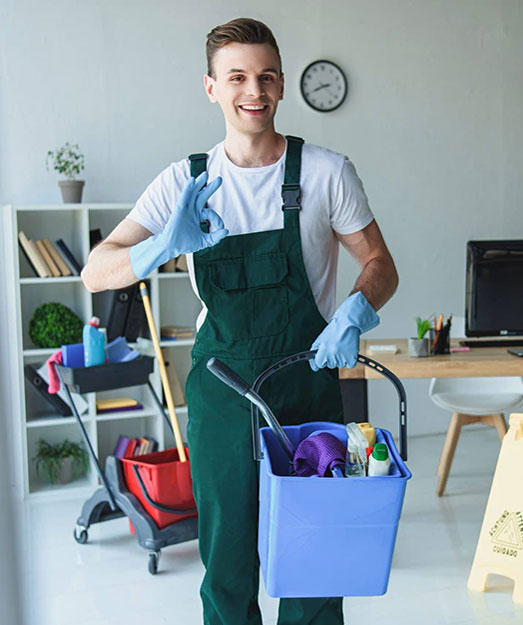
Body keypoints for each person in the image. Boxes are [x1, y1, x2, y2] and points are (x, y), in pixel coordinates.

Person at [81, 17, 398, 625]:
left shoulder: (327, 172)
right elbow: (97, 272)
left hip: (307, 387)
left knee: (316, 558)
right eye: (237, 77)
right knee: (226, 561)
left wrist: (358, 306)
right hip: (224, 393)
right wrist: (158, 245)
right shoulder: (185, 181)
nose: (254, 90)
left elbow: (381, 264)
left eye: (266, 76)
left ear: (280, 86)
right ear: (211, 87)